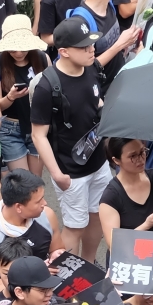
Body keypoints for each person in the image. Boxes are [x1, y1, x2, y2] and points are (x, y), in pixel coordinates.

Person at [29, 17, 110, 263]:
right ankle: (69, 271)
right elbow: (38, 135)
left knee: (97, 215)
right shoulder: (47, 86)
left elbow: (96, 104)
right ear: (63, 52)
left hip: (99, 162)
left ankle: (88, 264)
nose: (91, 50)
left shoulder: (93, 68)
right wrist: (56, 174)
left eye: (91, 44)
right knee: (75, 225)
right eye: (83, 47)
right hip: (70, 170)